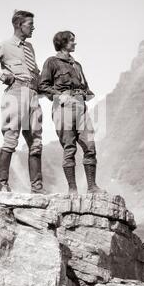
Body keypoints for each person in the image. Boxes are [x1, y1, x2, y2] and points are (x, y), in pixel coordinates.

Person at [0, 10, 44, 193]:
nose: (33, 27)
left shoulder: (30, 48)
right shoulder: (5, 46)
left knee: (36, 142)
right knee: (10, 139)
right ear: (18, 25)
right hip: (15, 94)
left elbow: (34, 72)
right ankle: (3, 184)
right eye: (30, 24)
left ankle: (37, 188)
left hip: (32, 95)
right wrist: (1, 76)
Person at [39, 31, 102, 194]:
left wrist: (86, 94)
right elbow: (43, 86)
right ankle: (72, 189)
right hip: (63, 109)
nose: (75, 44)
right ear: (63, 43)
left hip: (81, 109)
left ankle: (92, 187)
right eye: (72, 41)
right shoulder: (51, 62)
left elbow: (85, 87)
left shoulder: (77, 65)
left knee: (90, 146)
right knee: (69, 148)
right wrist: (60, 96)